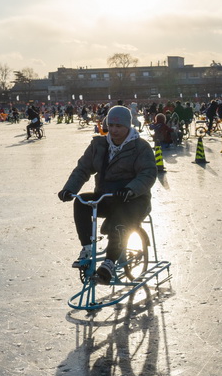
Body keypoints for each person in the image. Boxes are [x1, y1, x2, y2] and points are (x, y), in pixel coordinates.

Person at [58, 106, 156, 284]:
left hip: (134, 199)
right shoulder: (99, 145)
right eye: (110, 125)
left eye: (118, 126)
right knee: (82, 203)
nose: (114, 130)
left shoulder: (140, 147)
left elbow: (147, 174)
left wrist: (130, 189)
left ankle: (109, 262)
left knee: (120, 219)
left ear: (127, 126)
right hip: (106, 196)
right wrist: (69, 189)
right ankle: (87, 248)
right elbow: (83, 169)